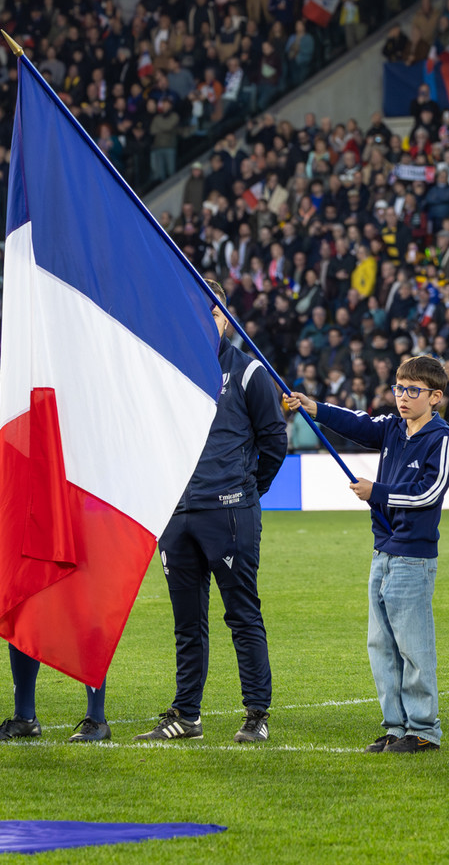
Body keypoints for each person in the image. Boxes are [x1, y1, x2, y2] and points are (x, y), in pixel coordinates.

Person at [136, 281, 287, 743]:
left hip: (228, 513)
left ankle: (256, 713)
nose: (201, 321)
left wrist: (244, 491)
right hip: (176, 515)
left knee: (241, 614)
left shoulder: (247, 372)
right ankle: (186, 714)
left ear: (225, 317)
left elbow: (274, 441)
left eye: (211, 313)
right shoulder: (163, 371)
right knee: (186, 621)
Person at [286, 355, 449, 753]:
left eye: (413, 391)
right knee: (381, 645)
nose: (402, 397)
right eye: (399, 388)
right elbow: (360, 424)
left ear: (435, 397)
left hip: (412, 555)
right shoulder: (394, 428)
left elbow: (429, 494)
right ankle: (395, 726)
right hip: (382, 550)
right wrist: (317, 408)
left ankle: (423, 730)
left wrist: (376, 492)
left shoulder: (444, 438)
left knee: (413, 646)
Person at [0, 358, 113, 743]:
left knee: (82, 606)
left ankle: (96, 717)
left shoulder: (76, 362)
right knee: (21, 603)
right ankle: (24, 717)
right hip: (15, 505)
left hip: (71, 502)